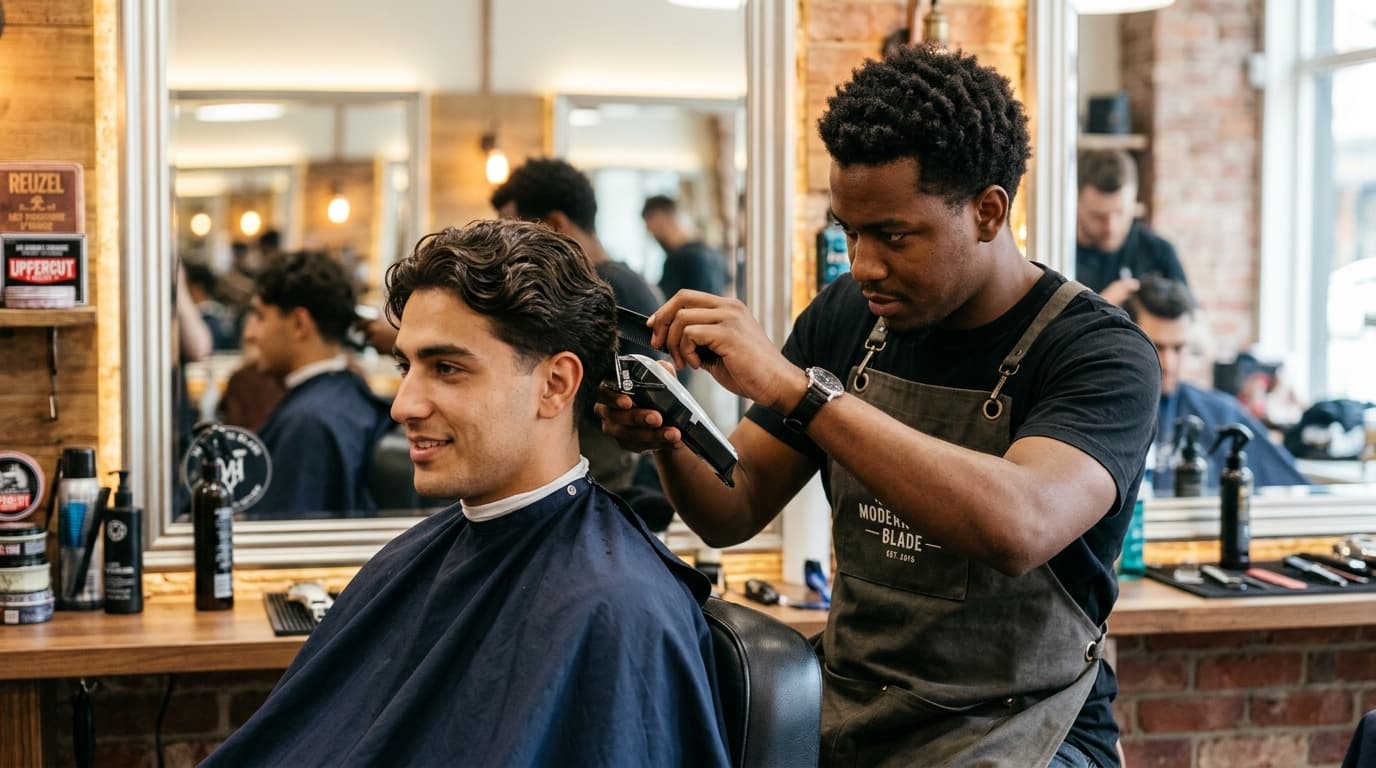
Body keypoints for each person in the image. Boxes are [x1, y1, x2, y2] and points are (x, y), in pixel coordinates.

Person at [598, 44, 1159, 768]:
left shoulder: (1098, 351)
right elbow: (731, 510)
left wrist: (800, 391)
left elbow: (1019, 523)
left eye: (894, 235)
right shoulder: (847, 318)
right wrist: (669, 433)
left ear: (988, 211)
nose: (863, 264)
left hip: (1023, 727)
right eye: (850, 232)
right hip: (855, 710)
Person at [203, 221, 730, 767]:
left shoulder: (617, 609)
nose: (402, 406)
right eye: (406, 366)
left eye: (447, 368)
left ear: (555, 385)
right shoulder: (418, 556)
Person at [491, 158, 662, 492]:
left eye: (516, 232)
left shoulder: (602, 289)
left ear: (554, 224)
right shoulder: (621, 282)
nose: (508, 251)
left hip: (608, 485)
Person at [1123, 274, 1310, 491]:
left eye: (1178, 348)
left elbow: (1300, 494)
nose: (1168, 363)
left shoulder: (1222, 414)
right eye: (1157, 346)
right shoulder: (1107, 413)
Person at [241, 251, 392, 519]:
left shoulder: (308, 423)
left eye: (260, 316)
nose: (250, 333)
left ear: (299, 324)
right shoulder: (346, 394)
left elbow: (283, 545)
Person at [1076, 148, 1187, 305]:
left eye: (1120, 213)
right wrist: (1103, 306)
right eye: (1098, 216)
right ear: (1076, 204)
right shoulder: (1058, 255)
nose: (1111, 228)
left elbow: (1191, 322)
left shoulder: (1159, 252)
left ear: (1134, 199)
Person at [641, 194, 730, 299]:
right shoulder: (715, 253)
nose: (651, 233)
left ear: (659, 219)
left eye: (649, 227)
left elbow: (664, 304)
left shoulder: (678, 259)